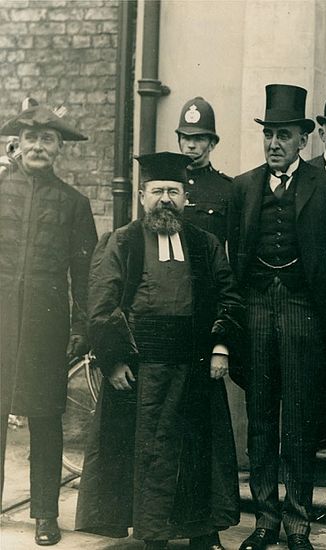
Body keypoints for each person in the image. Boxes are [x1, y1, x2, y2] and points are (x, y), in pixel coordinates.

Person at [75, 152, 242, 550]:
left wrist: (221, 345)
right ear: (141, 196)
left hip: (195, 365)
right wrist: (113, 360)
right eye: (157, 192)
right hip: (142, 369)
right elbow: (101, 302)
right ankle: (154, 535)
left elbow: (228, 295)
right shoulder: (122, 241)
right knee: (150, 453)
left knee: (197, 450)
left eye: (173, 191)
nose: (165, 199)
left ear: (186, 198)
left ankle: (204, 530)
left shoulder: (205, 243)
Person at [228, 84, 326, 550]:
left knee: (299, 420)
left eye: (284, 135)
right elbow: (233, 256)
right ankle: (265, 519)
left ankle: (298, 523)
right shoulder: (244, 187)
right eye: (269, 135)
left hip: (304, 310)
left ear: (304, 140)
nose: (274, 144)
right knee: (261, 418)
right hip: (257, 308)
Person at [0, 103, 97, 546]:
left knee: (45, 416)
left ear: (60, 148)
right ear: (17, 143)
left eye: (48, 139)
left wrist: (81, 328)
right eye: (31, 138)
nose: (38, 146)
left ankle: (44, 513)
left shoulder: (74, 204)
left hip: (46, 322)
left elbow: (86, 275)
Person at [176, 96, 233, 245]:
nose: (191, 145)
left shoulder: (227, 188)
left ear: (212, 144)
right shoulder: (170, 184)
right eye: (186, 138)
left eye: (199, 138)